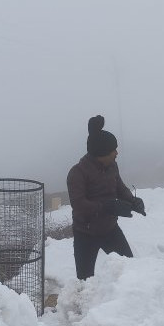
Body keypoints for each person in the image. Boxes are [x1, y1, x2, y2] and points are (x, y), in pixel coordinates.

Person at [67, 115, 146, 279]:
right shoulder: (77, 173)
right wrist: (107, 206)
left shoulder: (112, 166)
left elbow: (120, 188)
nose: (116, 153)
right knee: (85, 281)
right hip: (85, 234)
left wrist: (133, 201)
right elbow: (79, 204)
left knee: (129, 270)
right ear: (101, 153)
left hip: (110, 229)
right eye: (113, 150)